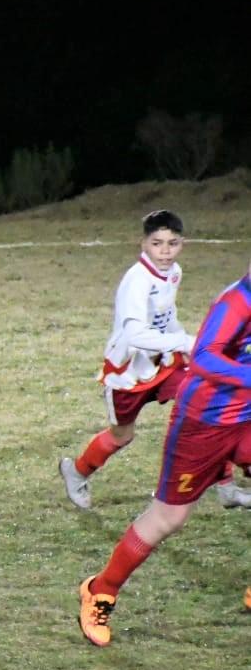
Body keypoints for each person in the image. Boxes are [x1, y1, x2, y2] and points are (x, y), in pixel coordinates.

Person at [78, 263, 251, 646]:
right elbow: (205, 360)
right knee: (168, 517)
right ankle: (101, 590)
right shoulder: (236, 304)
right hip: (203, 424)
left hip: (247, 417)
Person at [59, 209, 251, 510]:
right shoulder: (136, 281)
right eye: (157, 243)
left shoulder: (174, 272)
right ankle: (77, 471)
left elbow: (167, 315)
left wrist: (185, 342)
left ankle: (225, 486)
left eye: (172, 243)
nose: (165, 251)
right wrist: (185, 341)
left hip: (164, 363)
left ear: (182, 244)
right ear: (143, 244)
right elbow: (135, 334)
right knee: (121, 436)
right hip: (129, 372)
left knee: (206, 407)